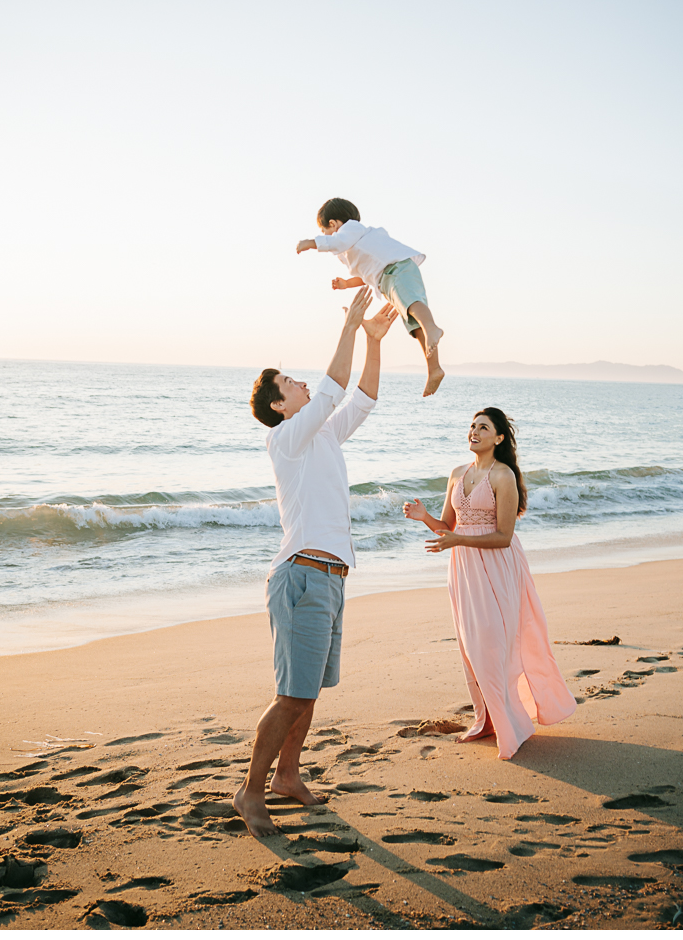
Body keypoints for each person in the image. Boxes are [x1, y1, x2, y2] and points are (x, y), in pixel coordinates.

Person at [235, 286, 397, 836]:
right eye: (290, 383)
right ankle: (250, 792)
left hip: (331, 577)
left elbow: (363, 398)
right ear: (280, 405)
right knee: (292, 695)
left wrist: (372, 340)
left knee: (309, 694)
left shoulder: (322, 435)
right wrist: (349, 325)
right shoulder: (285, 439)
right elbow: (330, 390)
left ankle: (288, 777)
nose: (301, 382)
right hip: (301, 574)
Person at [403, 408, 576, 760]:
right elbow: (447, 527)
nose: (474, 431)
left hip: (498, 567)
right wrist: (425, 519)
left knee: (495, 645)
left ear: (498, 438)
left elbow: (504, 537)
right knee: (472, 646)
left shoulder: (503, 476)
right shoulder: (456, 474)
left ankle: (511, 722)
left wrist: (456, 540)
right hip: (464, 570)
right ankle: (486, 720)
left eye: (483, 427)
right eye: (471, 425)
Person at [296, 197, 445, 397]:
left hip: (397, 269)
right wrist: (347, 284)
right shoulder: (352, 247)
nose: (326, 238)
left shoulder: (352, 229)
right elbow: (366, 274)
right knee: (413, 323)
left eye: (325, 232)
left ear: (333, 224)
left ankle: (432, 328)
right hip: (388, 277)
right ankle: (434, 368)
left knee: (412, 305)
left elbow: (337, 241)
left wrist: (312, 243)